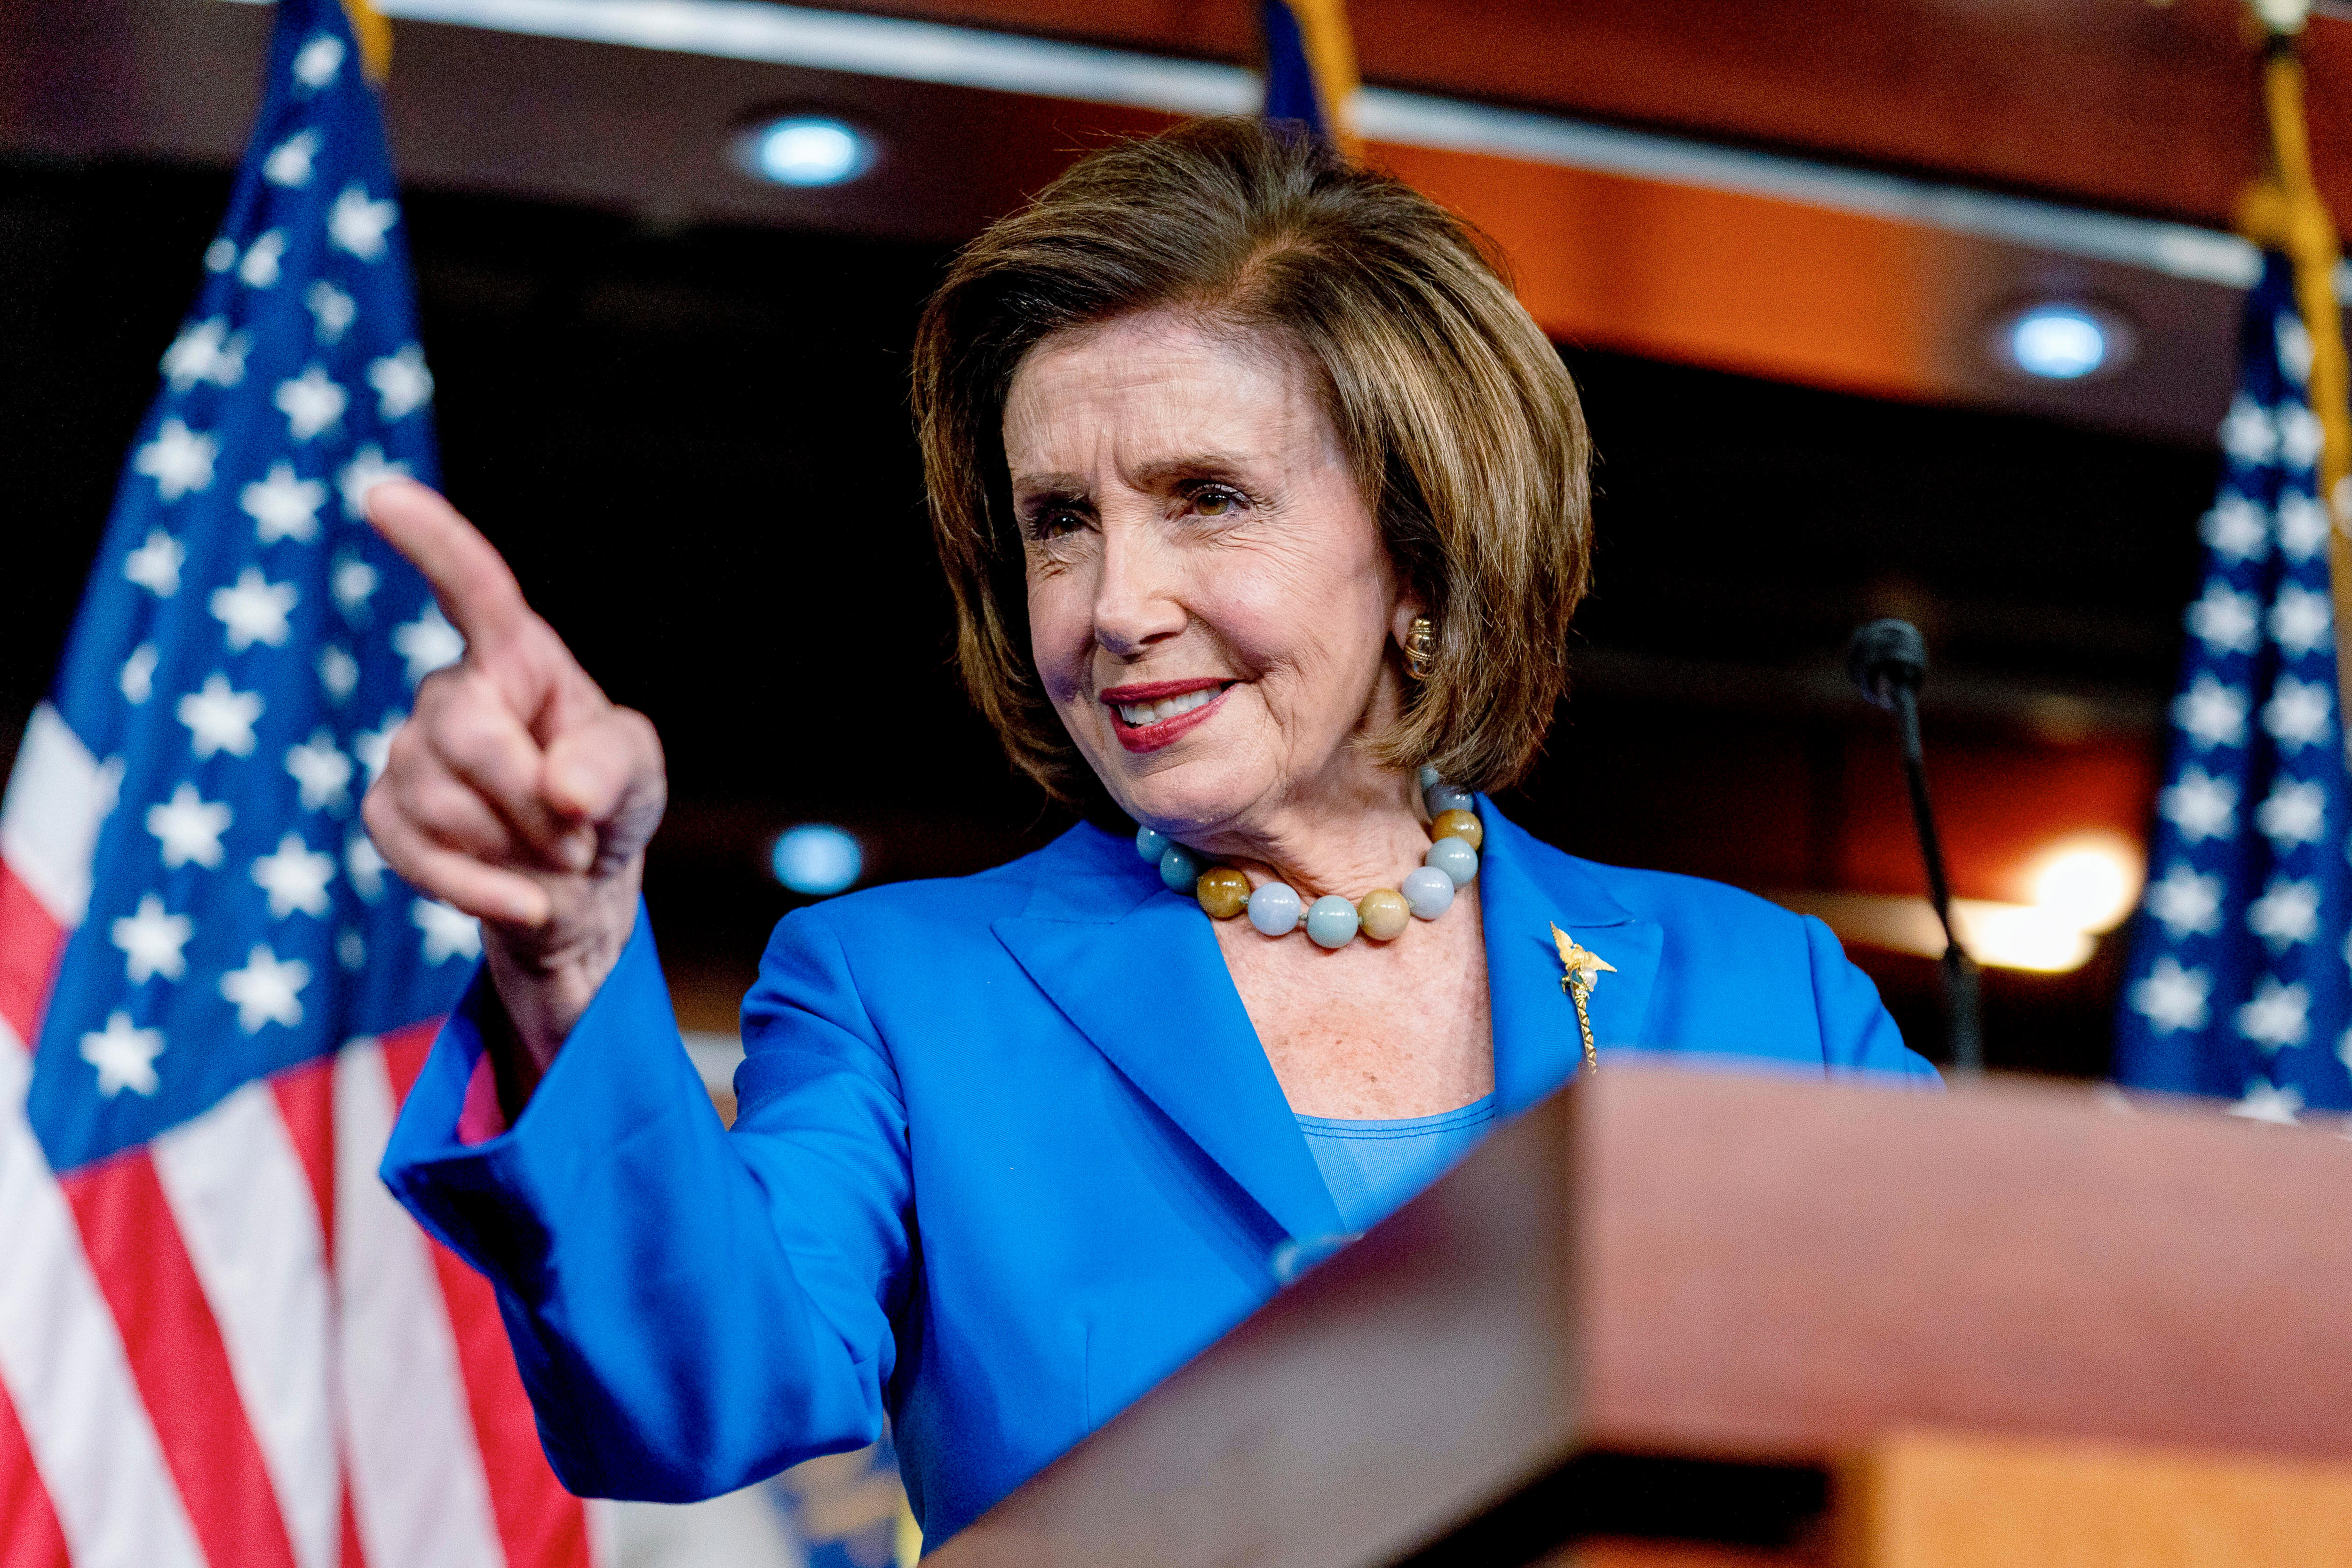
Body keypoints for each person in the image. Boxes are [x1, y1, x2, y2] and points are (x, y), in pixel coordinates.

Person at [370, 118, 1934, 1546]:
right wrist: (567, 955)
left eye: (1206, 497)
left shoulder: (1755, 995)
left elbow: (1992, 1420)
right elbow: (701, 1398)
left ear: (1423, 553)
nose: (1115, 609)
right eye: (1062, 523)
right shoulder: (901, 994)